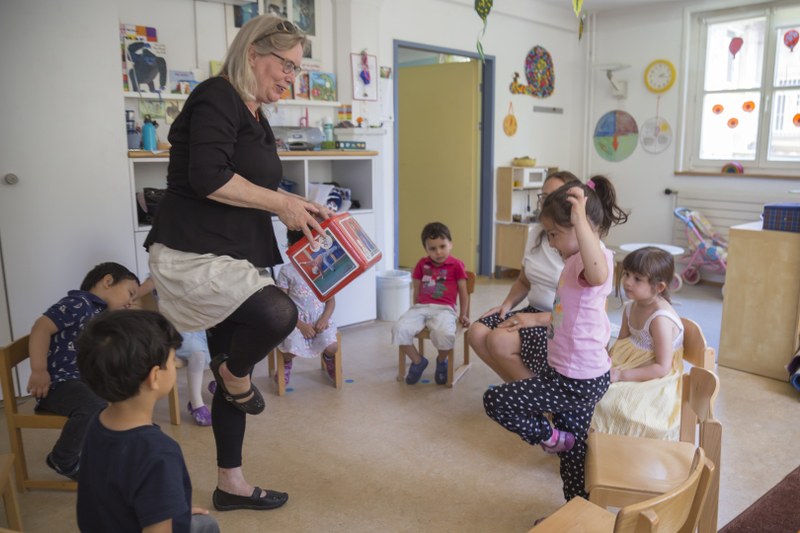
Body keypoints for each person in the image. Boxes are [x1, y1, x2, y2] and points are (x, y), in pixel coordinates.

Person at [143, 14, 331, 511]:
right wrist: (280, 205)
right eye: (286, 65)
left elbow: (257, 187)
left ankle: (231, 484)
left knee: (232, 356)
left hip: (234, 252)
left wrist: (301, 209)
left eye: (297, 69)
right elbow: (208, 176)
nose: (292, 77)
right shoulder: (215, 96)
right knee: (278, 314)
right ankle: (232, 376)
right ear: (253, 53)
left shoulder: (253, 112)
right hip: (196, 253)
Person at [483, 176, 628, 502]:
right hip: (574, 373)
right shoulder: (572, 261)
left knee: (497, 401)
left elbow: (598, 275)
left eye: (554, 234)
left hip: (578, 379)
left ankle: (550, 437)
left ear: (581, 230)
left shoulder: (596, 260)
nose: (549, 243)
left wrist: (579, 222)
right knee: (573, 454)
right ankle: (578, 511)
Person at [75, 309, 219, 533]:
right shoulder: (158, 452)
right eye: (173, 361)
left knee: (203, 523)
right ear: (154, 377)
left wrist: (169, 509)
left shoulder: (99, 422)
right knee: (207, 526)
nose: (176, 366)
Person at [26, 262, 140, 481]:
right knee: (93, 406)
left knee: (127, 395)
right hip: (59, 385)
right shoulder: (78, 303)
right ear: (108, 281)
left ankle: (115, 450)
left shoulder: (101, 314)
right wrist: (38, 370)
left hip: (83, 382)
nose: (130, 302)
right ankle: (63, 458)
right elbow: (41, 327)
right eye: (130, 293)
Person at [468, 171, 580, 383]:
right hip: (533, 311)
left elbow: (583, 314)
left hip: (558, 322)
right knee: (476, 332)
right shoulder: (536, 233)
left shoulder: (582, 247)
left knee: (499, 340)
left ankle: (542, 400)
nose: (546, 203)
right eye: (544, 197)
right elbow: (523, 280)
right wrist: (507, 305)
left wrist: (532, 319)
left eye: (554, 197)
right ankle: (520, 387)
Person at [591, 247, 685, 439]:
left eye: (637, 279)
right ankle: (593, 440)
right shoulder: (630, 307)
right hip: (628, 363)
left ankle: (616, 444)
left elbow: (662, 367)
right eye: (626, 274)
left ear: (659, 287)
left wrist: (622, 375)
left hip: (653, 376)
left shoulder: (660, 319)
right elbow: (622, 343)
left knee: (615, 402)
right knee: (588, 387)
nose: (627, 282)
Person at [392, 222, 470, 385]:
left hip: (444, 309)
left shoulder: (456, 265)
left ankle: (441, 361)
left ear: (451, 244)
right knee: (399, 329)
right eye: (432, 248)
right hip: (420, 308)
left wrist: (463, 314)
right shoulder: (421, 264)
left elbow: (464, 292)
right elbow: (417, 289)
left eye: (442, 246)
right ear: (426, 249)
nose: (438, 252)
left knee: (444, 334)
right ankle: (418, 361)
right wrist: (414, 311)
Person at [135, 278, 214, 427]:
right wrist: (128, 299)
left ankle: (221, 383)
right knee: (198, 354)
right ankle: (196, 403)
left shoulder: (195, 274)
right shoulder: (158, 277)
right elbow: (139, 292)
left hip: (197, 328)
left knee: (221, 342)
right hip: (175, 331)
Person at [274, 229, 339, 386]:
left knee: (332, 347)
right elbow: (281, 304)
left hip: (319, 321)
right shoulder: (286, 271)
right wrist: (300, 325)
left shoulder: (319, 268)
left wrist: (324, 319)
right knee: (289, 351)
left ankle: (328, 359)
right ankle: (286, 365)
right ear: (290, 247)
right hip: (294, 322)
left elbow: (331, 301)